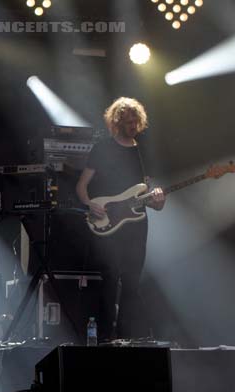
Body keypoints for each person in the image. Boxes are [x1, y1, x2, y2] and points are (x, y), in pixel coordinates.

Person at [76, 97, 165, 341]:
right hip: (107, 222)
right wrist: (89, 204)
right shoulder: (103, 148)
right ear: (117, 121)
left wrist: (158, 200)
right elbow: (82, 185)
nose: (133, 125)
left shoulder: (143, 152)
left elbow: (153, 199)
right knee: (109, 278)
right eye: (128, 121)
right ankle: (104, 336)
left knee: (132, 283)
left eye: (136, 120)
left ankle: (130, 337)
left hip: (136, 225)